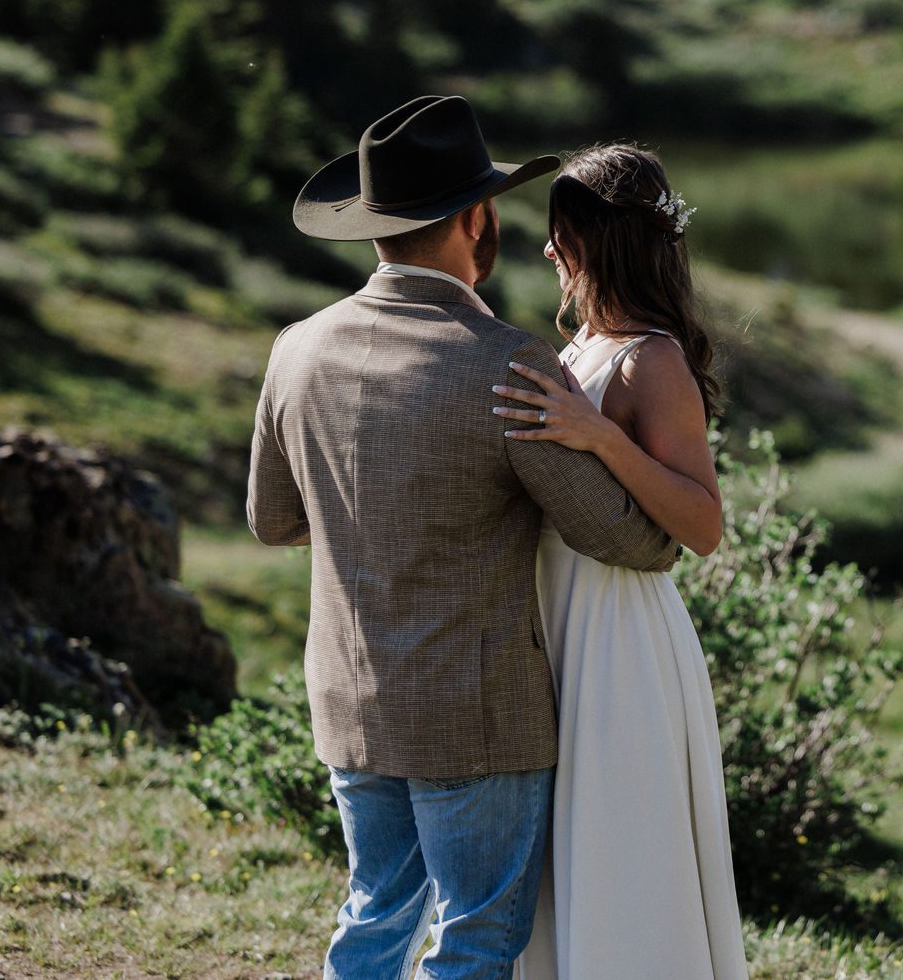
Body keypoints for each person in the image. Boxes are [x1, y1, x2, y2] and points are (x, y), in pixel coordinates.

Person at [246, 97, 682, 979]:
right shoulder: (506, 363)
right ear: (476, 221)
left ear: (372, 227)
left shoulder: (296, 348)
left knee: (373, 916)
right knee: (475, 942)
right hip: (478, 720)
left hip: (350, 699)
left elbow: (273, 520)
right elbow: (629, 541)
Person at [492, 143, 748, 980]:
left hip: (617, 633)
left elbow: (703, 525)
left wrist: (601, 437)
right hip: (557, 619)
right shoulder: (579, 352)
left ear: (600, 240)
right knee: (562, 849)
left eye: (559, 231)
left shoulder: (652, 359)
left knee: (621, 843)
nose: (546, 249)